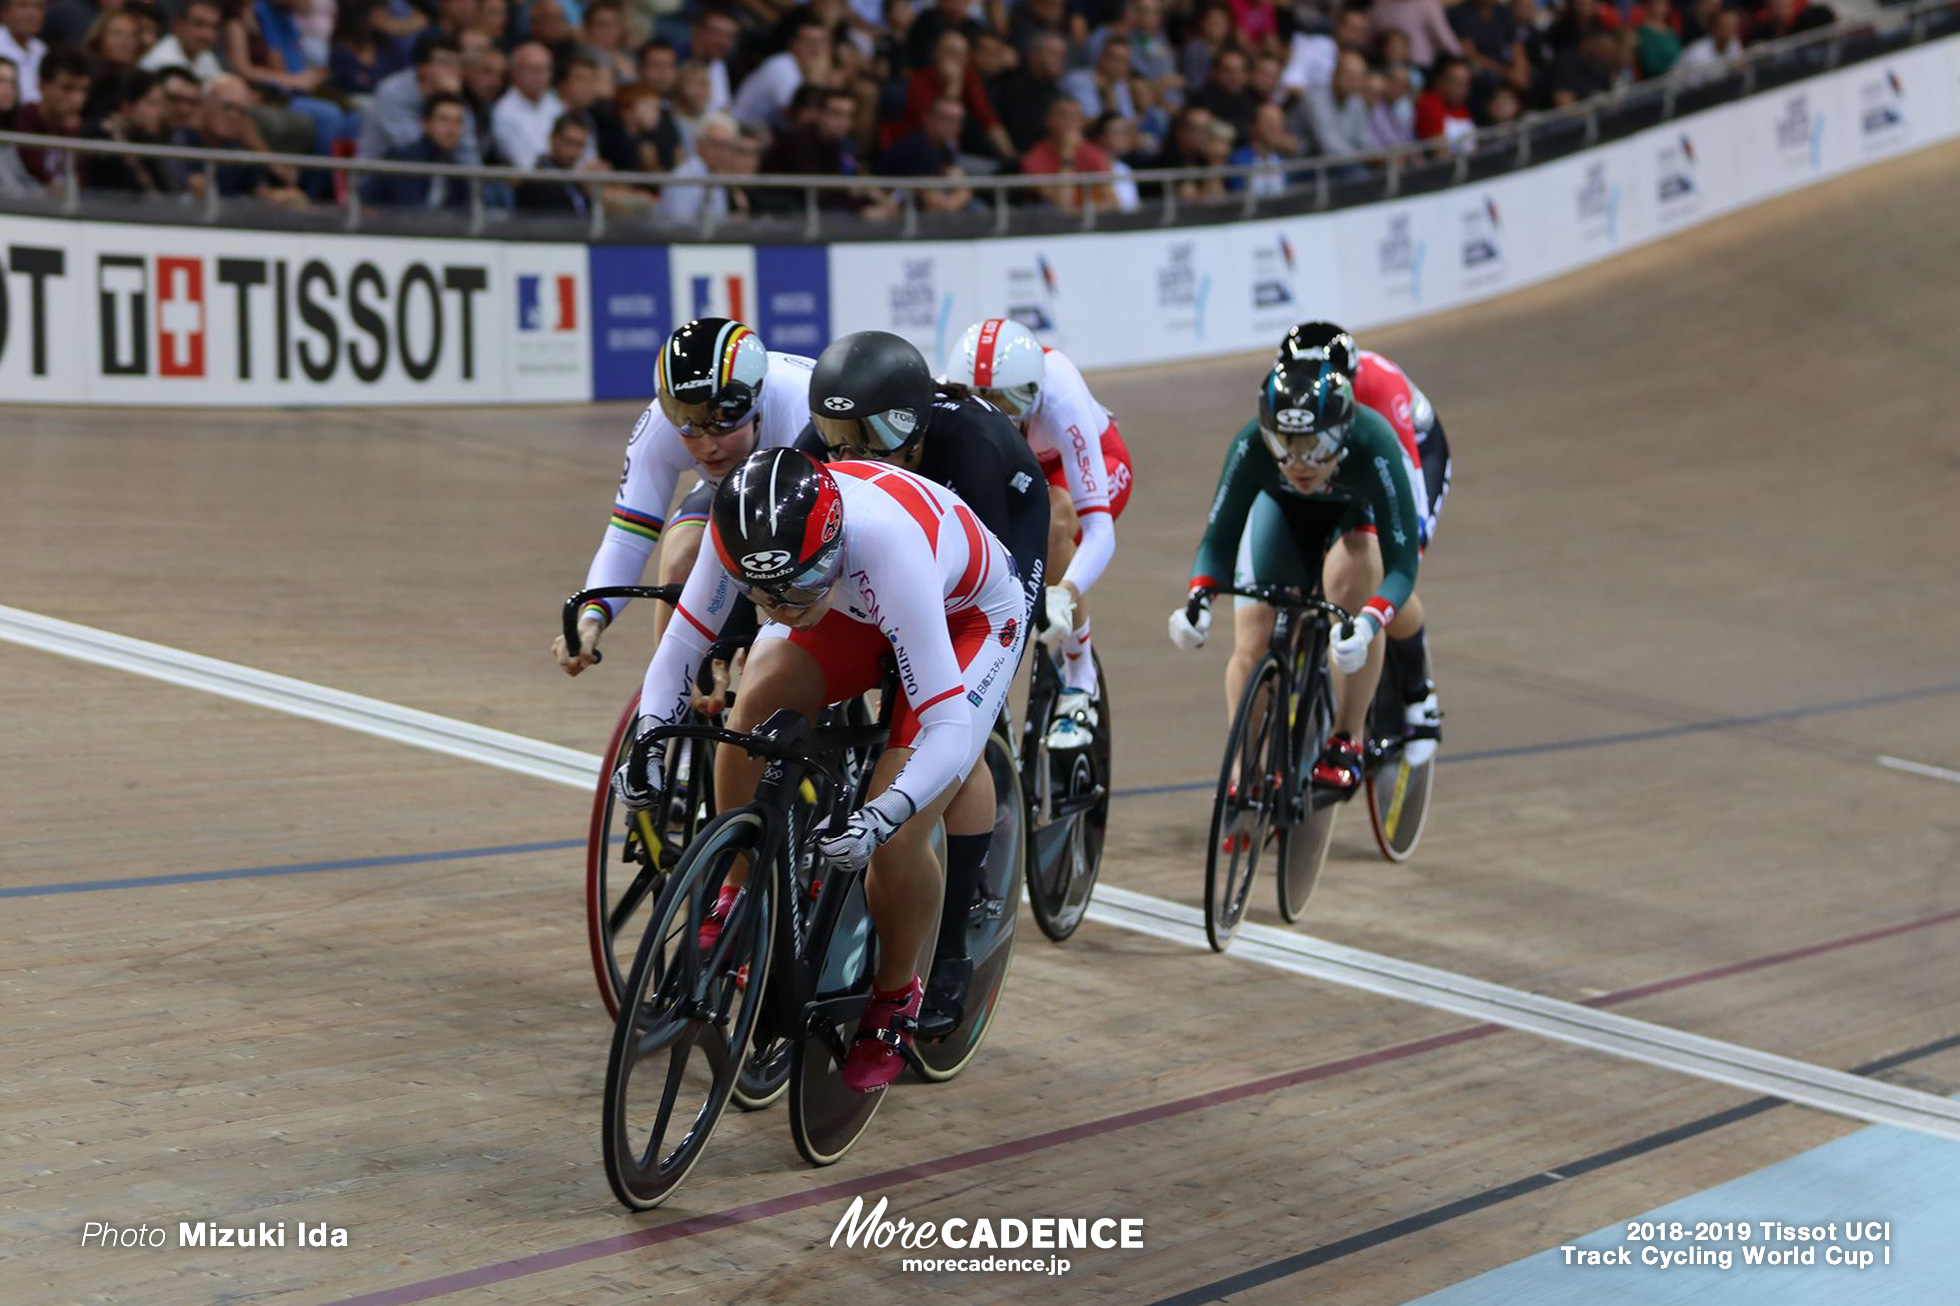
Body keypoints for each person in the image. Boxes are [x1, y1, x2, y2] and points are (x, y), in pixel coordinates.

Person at [802, 330, 1047, 1037]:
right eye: (835, 436)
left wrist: (945, 699)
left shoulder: (968, 446)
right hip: (902, 568)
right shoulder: (826, 442)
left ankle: (950, 950)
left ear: (913, 427)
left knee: (958, 742)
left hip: (990, 562)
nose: (850, 453)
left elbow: (969, 597)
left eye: (869, 436)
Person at [1169, 355, 1425, 802]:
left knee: (1352, 582)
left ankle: (1346, 739)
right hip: (1283, 514)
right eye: (1284, 445)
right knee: (1252, 644)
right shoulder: (1251, 445)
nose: (1300, 463)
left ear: (1343, 434)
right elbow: (1217, 542)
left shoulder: (1375, 443)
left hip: (1351, 514)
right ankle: (1243, 770)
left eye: (1315, 446)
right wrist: (1198, 602)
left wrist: (1366, 622)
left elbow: (1404, 567)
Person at [555, 318, 818, 674]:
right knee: (681, 554)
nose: (707, 446)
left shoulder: (800, 410)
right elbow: (628, 537)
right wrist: (591, 621)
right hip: (729, 492)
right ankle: (676, 687)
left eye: (723, 424)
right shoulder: (660, 425)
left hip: (807, 494)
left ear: (756, 410)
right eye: (690, 424)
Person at [944, 317, 1130, 734]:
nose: (998, 415)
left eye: (1009, 403)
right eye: (982, 400)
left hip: (1083, 463)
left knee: (1055, 522)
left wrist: (1065, 593)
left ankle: (1080, 676)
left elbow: (1100, 531)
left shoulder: (1060, 393)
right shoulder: (946, 391)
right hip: (1015, 466)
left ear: (1033, 390)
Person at [1275, 321, 1449, 758]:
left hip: (1411, 455)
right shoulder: (1285, 393)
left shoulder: (1381, 386)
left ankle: (1418, 695)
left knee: (1387, 569)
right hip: (1328, 461)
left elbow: (1402, 480)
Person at [358, 32, 481, 162]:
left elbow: (468, 151)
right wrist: (452, 99)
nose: (453, 70)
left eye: (457, 64)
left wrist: (453, 99)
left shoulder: (453, 96)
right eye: (444, 62)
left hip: (435, 174)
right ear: (422, 67)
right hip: (381, 172)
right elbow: (412, 145)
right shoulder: (392, 91)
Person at [361, 88, 475, 207]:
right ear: (425, 124)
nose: (452, 129)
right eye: (444, 120)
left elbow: (464, 210)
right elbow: (410, 214)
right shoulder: (407, 161)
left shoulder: (454, 164)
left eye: (458, 121)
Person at [491, 40, 561, 169]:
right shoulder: (504, 111)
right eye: (534, 69)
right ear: (515, 72)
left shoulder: (556, 104)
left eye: (546, 69)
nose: (541, 75)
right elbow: (524, 163)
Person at [514, 110, 600, 210]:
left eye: (580, 145)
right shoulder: (537, 180)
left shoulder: (578, 183)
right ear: (552, 138)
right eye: (569, 143)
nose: (574, 152)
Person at [140, 0, 224, 83]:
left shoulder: (205, 53)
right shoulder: (160, 61)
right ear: (179, 25)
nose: (207, 34)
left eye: (214, 27)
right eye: (199, 24)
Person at [0, 0, 47, 105]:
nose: (31, 13)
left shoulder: (42, 50)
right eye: (23, 6)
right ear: (4, 11)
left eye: (38, 7)